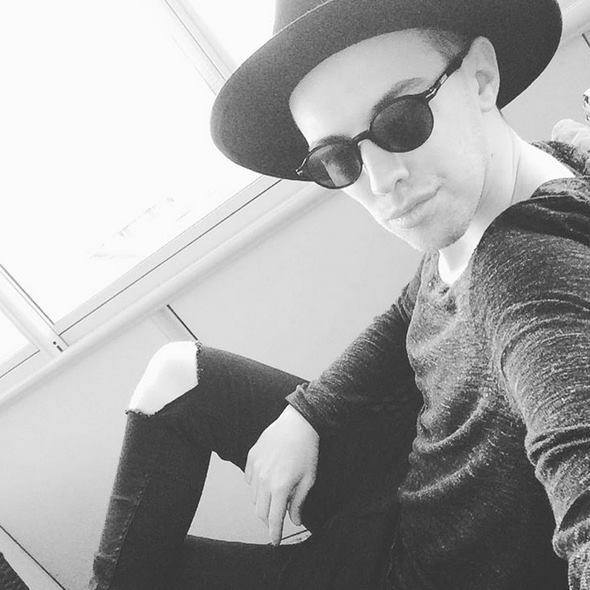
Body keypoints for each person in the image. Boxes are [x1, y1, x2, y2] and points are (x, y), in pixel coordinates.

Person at [89, 0, 590, 588]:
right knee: (175, 374)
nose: (381, 181)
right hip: (402, 496)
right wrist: (308, 412)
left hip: (414, 573)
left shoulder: (526, 274)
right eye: (337, 157)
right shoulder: (504, 187)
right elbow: (410, 309)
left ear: (480, 77)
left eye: (401, 121)